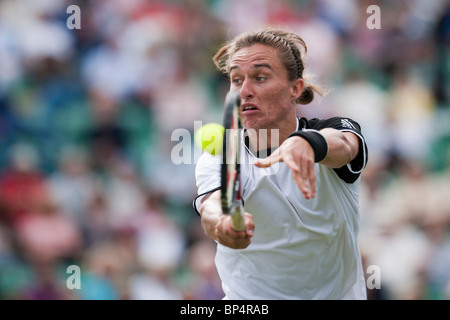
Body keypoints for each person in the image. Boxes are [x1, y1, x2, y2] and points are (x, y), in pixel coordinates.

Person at [193, 27, 368, 300]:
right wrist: (224, 225)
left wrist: (309, 143)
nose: (245, 91)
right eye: (236, 80)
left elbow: (345, 146)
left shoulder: (331, 131)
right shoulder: (220, 156)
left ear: (295, 89)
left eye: (260, 77)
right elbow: (212, 209)